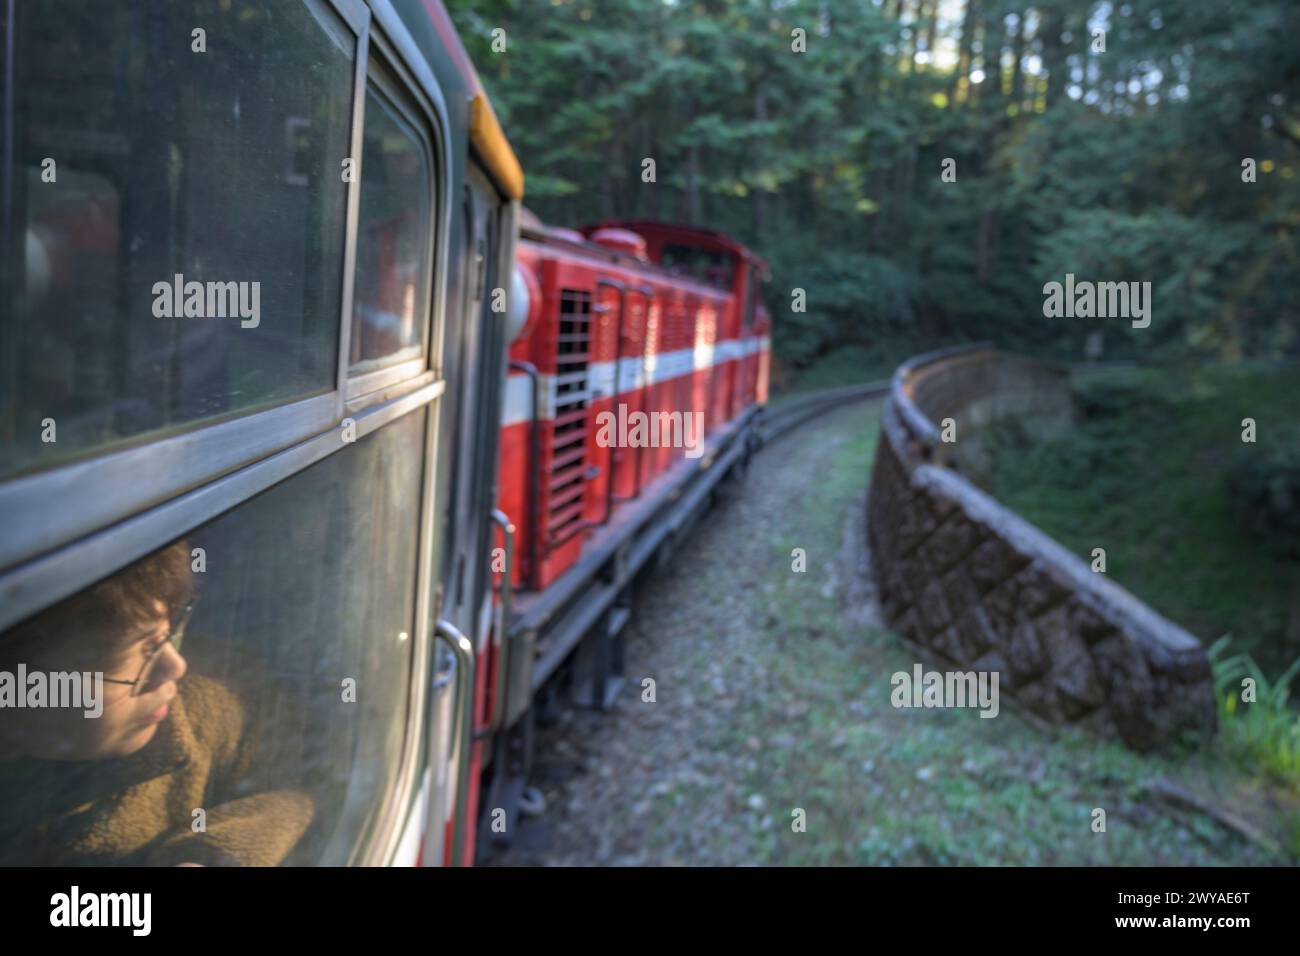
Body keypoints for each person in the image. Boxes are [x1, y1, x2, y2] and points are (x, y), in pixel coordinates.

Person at [0, 541, 313, 866]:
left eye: (170, 631)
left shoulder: (214, 709)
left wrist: (215, 855)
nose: (176, 665)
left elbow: (299, 788)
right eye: (141, 649)